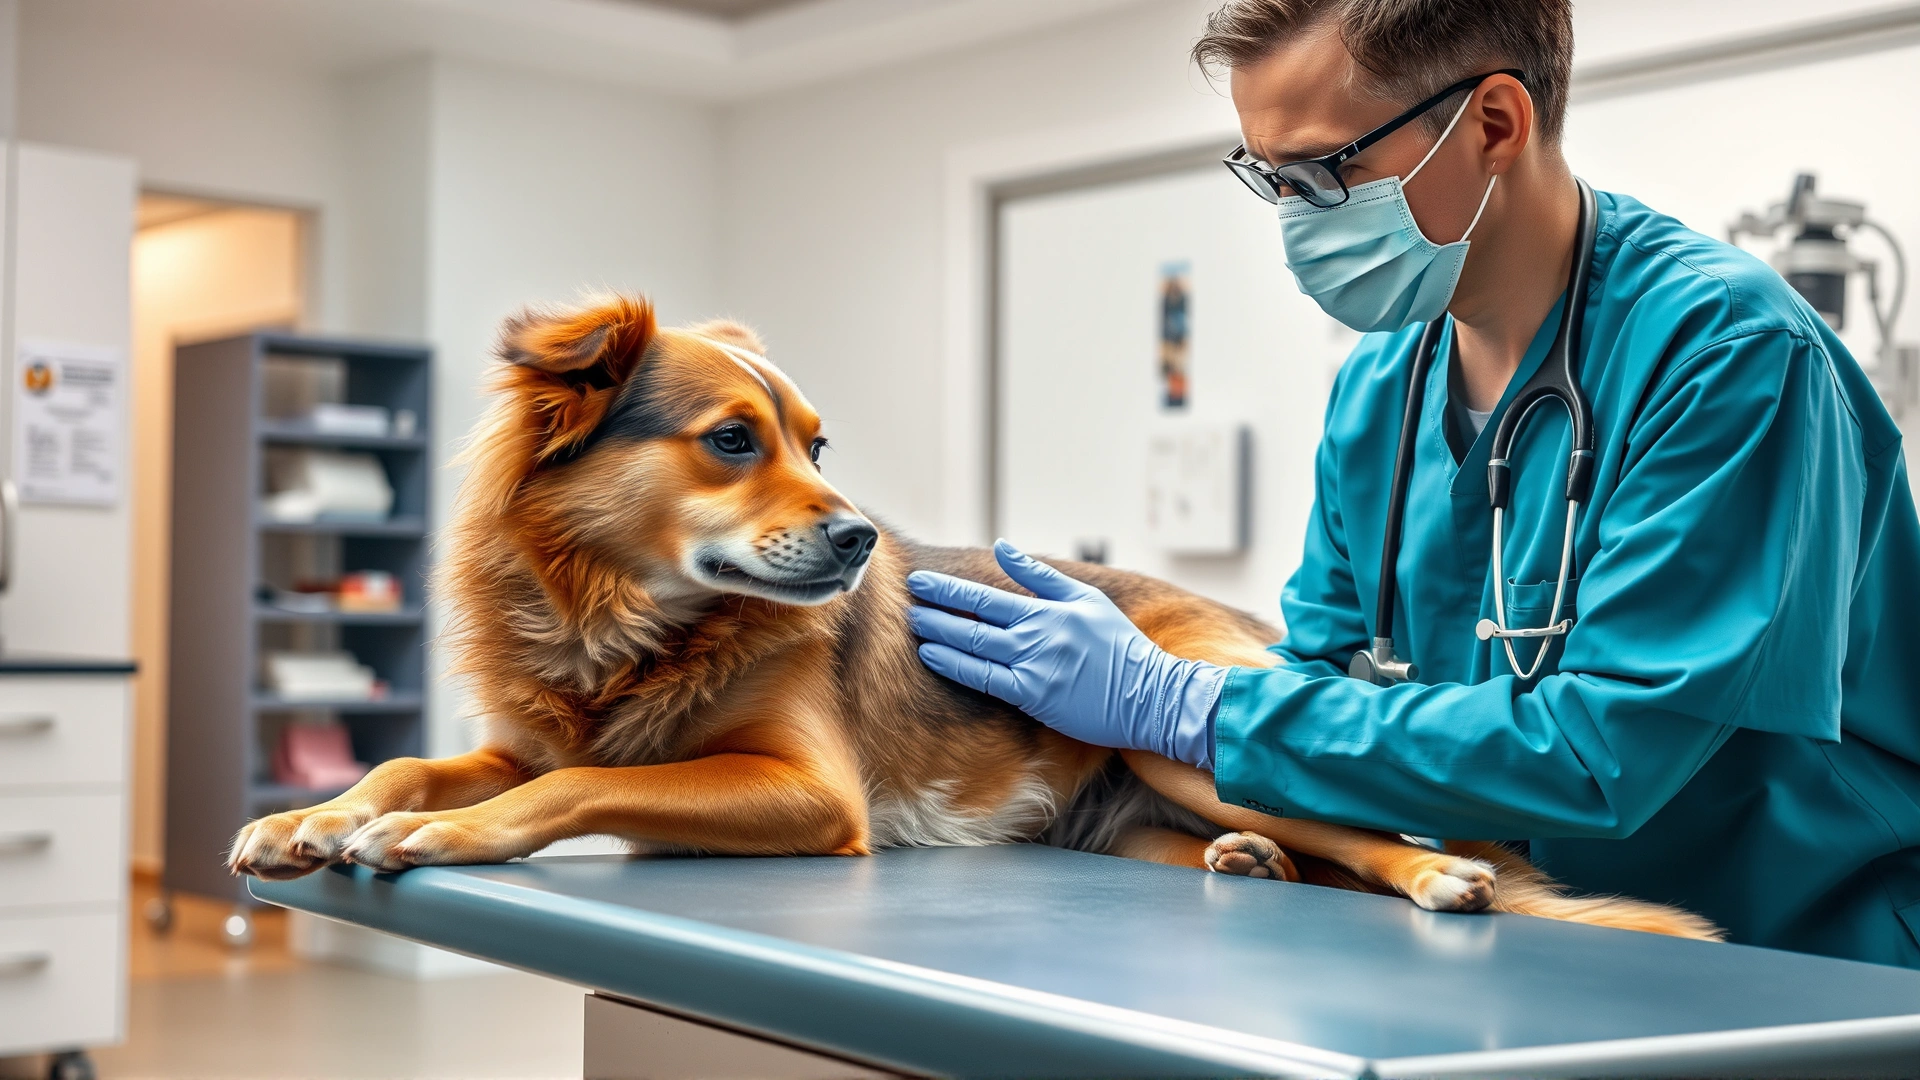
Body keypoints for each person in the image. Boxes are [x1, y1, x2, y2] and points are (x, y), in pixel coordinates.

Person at [906, 0, 1920, 968]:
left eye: (1324, 171)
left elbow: (1602, 750)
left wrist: (1198, 708)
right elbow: (1326, 673)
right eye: (1271, 180)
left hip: (1794, 960)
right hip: (1518, 948)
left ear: (1492, 121)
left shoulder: (1730, 354)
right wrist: (1208, 716)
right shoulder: (1380, 389)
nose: (1296, 220)